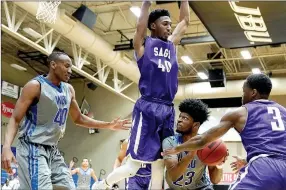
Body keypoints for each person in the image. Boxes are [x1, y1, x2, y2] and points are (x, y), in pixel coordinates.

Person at [93, 1, 190, 189]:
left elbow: (185, 21)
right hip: (147, 107)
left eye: (170, 24)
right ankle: (102, 185)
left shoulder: (172, 45)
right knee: (133, 165)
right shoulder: (143, 46)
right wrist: (146, 3)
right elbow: (139, 27)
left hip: (168, 108)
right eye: (165, 23)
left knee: (160, 163)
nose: (169, 27)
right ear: (153, 25)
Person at [1, 51, 131, 189]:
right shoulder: (35, 86)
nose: (70, 71)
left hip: (52, 150)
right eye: (67, 66)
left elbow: (78, 118)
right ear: (53, 65)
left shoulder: (68, 90)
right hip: (32, 147)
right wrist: (7, 147)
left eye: (71, 68)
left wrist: (109, 125)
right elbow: (15, 119)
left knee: (69, 187)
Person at [163, 74, 286, 190]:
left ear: (253, 92)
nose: (242, 96)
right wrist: (248, 161)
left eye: (244, 92)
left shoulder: (241, 112)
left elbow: (202, 140)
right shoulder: (283, 111)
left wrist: (178, 149)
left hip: (264, 167)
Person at [163, 99, 226, 190]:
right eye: (180, 117)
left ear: (195, 125)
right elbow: (174, 176)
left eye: (185, 118)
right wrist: (191, 153)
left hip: (201, 188)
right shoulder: (170, 142)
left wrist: (219, 164)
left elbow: (215, 180)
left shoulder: (207, 143)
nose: (179, 120)